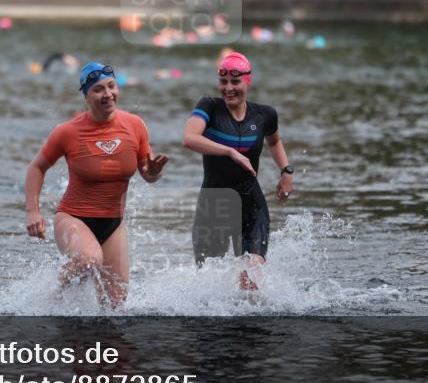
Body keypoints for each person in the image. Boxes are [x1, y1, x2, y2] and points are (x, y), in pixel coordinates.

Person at [25, 62, 168, 308]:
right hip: (74, 218)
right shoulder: (67, 132)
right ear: (87, 96)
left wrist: (152, 172)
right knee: (89, 259)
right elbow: (36, 167)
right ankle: (50, 301)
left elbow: (147, 173)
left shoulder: (135, 125)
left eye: (111, 86)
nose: (108, 94)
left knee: (115, 307)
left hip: (113, 225)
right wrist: (33, 211)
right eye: (99, 89)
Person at [182, 52, 293, 290]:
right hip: (214, 206)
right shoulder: (209, 108)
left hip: (250, 203)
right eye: (224, 82)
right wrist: (230, 152)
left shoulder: (265, 114)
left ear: (247, 81)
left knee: (251, 273)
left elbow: (274, 142)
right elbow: (189, 138)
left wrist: (286, 171)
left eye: (235, 82)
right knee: (209, 284)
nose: (229, 88)